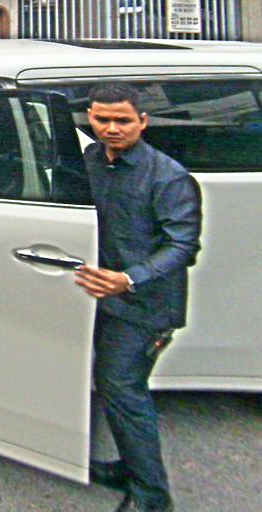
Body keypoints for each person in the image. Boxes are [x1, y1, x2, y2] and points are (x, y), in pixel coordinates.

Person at [75, 83, 202, 512]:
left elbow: (182, 246)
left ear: (143, 121)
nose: (111, 128)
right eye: (102, 119)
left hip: (145, 308)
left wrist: (129, 279)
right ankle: (130, 467)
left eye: (122, 120)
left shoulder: (168, 176)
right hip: (100, 298)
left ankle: (152, 496)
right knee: (113, 389)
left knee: (123, 390)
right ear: (90, 118)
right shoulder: (88, 161)